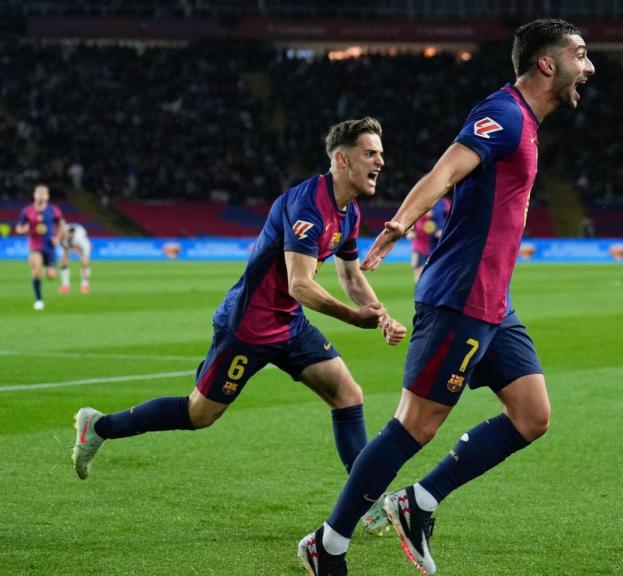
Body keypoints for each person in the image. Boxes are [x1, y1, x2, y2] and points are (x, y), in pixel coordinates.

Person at [296, 18, 595, 576]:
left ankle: (418, 503)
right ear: (547, 64)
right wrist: (399, 224)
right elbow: (446, 169)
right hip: (460, 296)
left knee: (532, 416)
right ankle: (328, 544)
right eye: (580, 54)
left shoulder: (528, 124)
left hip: (494, 302)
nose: (590, 66)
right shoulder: (505, 112)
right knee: (415, 425)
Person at [72, 118, 407, 525]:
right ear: (341, 159)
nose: (381, 162)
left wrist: (383, 316)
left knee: (348, 395)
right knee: (199, 414)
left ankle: (365, 502)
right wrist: (355, 318)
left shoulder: (349, 212)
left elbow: (351, 276)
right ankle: (100, 426)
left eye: (381, 154)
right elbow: (301, 284)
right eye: (370, 153)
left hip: (289, 324)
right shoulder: (306, 206)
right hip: (248, 327)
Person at [15, 184, 64, 310]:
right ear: (34, 195)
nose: (41, 195)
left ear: (47, 196)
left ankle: (47, 268)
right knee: (36, 271)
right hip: (35, 245)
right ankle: (38, 300)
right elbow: (18, 228)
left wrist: (57, 238)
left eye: (44, 193)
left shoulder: (54, 210)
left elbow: (62, 225)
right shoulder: (27, 211)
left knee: (51, 276)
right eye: (39, 193)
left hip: (49, 246)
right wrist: (24, 229)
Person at [409, 195, 451, 281]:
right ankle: (420, 292)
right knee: (418, 272)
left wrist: (442, 231)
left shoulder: (444, 203)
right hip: (419, 246)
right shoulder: (419, 209)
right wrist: (410, 232)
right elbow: (411, 226)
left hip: (435, 246)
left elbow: (451, 216)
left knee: (436, 272)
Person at [59, 222, 92, 294]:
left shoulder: (81, 238)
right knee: (63, 259)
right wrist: (71, 248)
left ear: (73, 234)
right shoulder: (62, 236)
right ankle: (65, 286)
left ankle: (85, 285)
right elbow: (63, 247)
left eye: (71, 234)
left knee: (85, 261)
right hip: (68, 244)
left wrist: (82, 254)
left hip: (80, 244)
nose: (69, 235)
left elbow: (89, 248)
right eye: (67, 234)